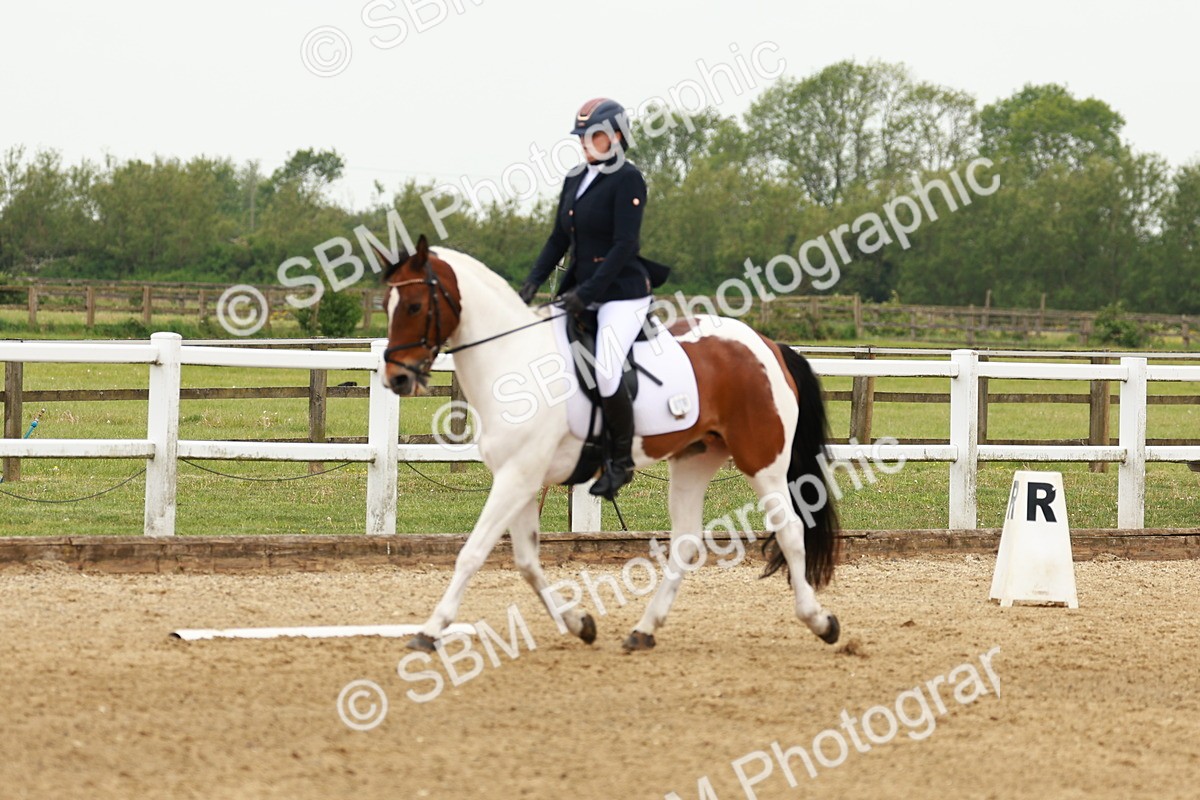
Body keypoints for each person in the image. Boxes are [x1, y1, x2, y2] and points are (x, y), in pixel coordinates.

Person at [518, 97, 669, 500]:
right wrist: (531, 283)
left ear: (616, 137)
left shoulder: (629, 179)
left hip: (621, 295)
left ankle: (620, 461)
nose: (586, 142)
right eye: (582, 136)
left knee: (605, 369)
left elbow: (624, 245)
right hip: (580, 293)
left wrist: (587, 293)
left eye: (594, 135)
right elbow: (558, 239)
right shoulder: (575, 178)